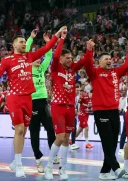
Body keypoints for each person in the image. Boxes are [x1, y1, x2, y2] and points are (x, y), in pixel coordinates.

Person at [0, 26, 65, 178]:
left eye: (24, 42)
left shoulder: (30, 57)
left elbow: (47, 47)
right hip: (14, 97)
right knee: (19, 129)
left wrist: (57, 35)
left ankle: (15, 161)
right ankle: (19, 164)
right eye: (21, 42)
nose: (23, 44)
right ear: (14, 45)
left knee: (23, 131)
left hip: (28, 98)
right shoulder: (7, 60)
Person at [83, 35, 128, 180]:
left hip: (114, 111)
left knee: (113, 142)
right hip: (101, 112)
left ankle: (104, 172)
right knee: (107, 141)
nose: (109, 60)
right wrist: (89, 50)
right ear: (99, 62)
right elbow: (87, 64)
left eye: (110, 59)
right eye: (105, 59)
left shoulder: (116, 73)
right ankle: (116, 168)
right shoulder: (94, 73)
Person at [44, 31, 92, 180]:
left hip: (70, 108)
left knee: (66, 139)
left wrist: (90, 50)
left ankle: (63, 169)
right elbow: (56, 55)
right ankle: (49, 167)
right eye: (68, 58)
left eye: (71, 58)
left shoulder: (72, 70)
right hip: (58, 106)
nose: (70, 60)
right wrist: (62, 38)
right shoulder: (55, 68)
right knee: (59, 137)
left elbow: (84, 61)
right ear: (61, 58)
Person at [25, 29, 58, 173]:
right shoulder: (27, 68)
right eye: (36, 58)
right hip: (31, 103)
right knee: (35, 133)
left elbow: (49, 55)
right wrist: (31, 38)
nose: (39, 59)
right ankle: (38, 160)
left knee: (51, 128)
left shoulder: (42, 69)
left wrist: (47, 42)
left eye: (40, 58)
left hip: (43, 102)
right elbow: (26, 53)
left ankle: (53, 152)